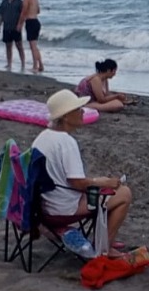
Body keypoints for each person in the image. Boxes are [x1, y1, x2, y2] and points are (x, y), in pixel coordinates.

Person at [32, 89, 134, 254]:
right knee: (124, 194)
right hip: (62, 208)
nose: (82, 112)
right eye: (77, 109)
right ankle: (105, 247)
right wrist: (101, 182)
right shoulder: (66, 142)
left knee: (105, 190)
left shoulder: (43, 137)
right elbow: (77, 183)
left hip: (45, 203)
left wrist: (98, 182)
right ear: (65, 116)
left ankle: (104, 238)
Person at [0, 0, 25, 70]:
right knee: (8, 46)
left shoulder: (19, 2)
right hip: (6, 27)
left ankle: (23, 63)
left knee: (19, 45)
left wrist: (20, 25)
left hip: (15, 27)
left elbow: (22, 15)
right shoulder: (4, 2)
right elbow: (1, 14)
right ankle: (9, 63)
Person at [19, 0, 44, 73]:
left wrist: (20, 24)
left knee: (32, 46)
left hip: (30, 21)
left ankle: (35, 66)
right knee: (35, 45)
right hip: (36, 21)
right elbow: (38, 11)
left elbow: (24, 11)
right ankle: (40, 65)